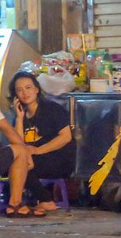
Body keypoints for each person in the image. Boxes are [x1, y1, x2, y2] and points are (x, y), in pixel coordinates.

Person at [9, 70, 76, 215]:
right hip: (34, 159)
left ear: (36, 89)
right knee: (16, 162)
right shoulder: (19, 117)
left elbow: (66, 137)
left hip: (59, 158)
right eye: (19, 90)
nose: (24, 93)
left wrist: (38, 151)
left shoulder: (51, 109)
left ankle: (46, 200)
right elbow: (19, 145)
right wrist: (19, 119)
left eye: (28, 88)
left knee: (23, 164)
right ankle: (29, 200)